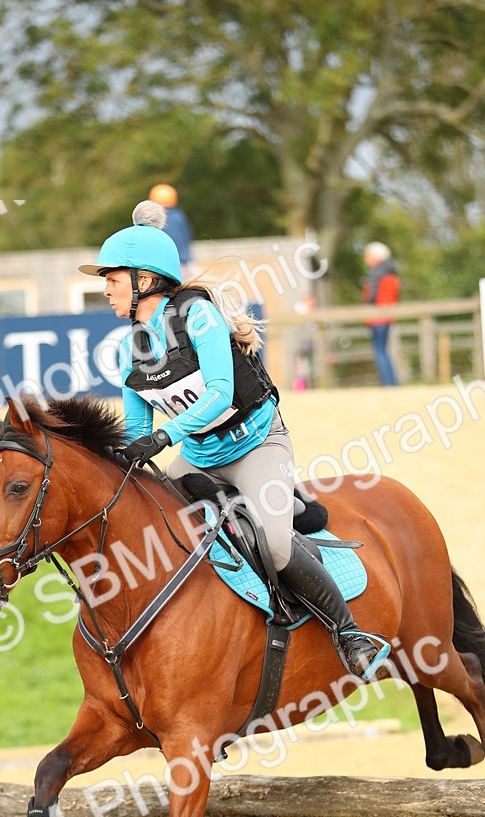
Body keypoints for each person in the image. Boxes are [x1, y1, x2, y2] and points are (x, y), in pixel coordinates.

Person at [79, 202, 390, 681]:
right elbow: (138, 432)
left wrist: (164, 436)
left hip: (256, 446)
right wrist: (117, 452)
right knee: (152, 528)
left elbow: (221, 394)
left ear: (145, 279)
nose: (106, 290)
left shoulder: (197, 316)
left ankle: (349, 634)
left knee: (277, 548)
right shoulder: (129, 347)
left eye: (113, 280)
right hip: (200, 457)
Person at [362, 242, 400, 386]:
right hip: (387, 316)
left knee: (380, 351)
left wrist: (366, 307)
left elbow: (371, 296)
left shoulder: (376, 273)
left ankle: (388, 383)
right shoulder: (391, 272)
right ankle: (390, 382)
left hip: (377, 317)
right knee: (383, 350)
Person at [148, 183, 193, 278]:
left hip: (168, 265)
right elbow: (188, 236)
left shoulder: (160, 218)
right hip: (182, 263)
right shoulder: (178, 215)